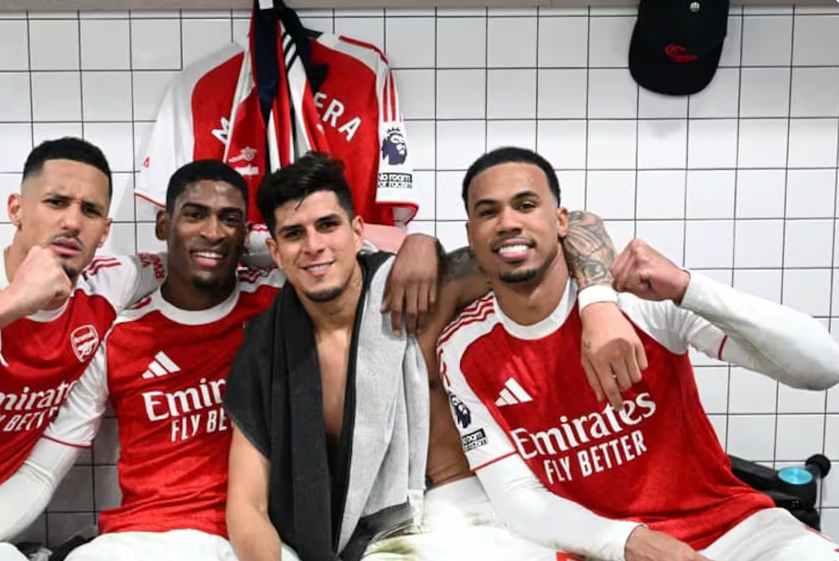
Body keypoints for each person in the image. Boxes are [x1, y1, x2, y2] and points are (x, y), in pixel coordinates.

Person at [0, 159, 441, 560]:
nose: (213, 232)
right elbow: (42, 470)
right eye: (194, 215)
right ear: (164, 224)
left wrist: (422, 242)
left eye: (229, 219)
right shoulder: (120, 332)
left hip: (247, 539)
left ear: (246, 235)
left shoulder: (274, 302)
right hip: (138, 540)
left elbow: (331, 249)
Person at [223, 152, 643, 561]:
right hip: (382, 538)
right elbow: (247, 505)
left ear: (357, 231)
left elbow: (574, 225)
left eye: (328, 225)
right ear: (275, 251)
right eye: (294, 234)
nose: (314, 246)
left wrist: (598, 303)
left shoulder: (422, 289)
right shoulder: (267, 354)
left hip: (485, 512)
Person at [436, 147, 839, 561]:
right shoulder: (462, 349)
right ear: (470, 235)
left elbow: (823, 367)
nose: (508, 222)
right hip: (603, 548)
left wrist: (687, 287)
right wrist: (627, 541)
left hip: (734, 528)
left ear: (561, 221)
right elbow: (517, 497)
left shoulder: (642, 298)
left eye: (526, 205)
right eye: (488, 212)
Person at [0, 137, 165, 499]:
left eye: (90, 211)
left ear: (104, 232)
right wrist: (13, 301)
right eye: (56, 202)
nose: (73, 222)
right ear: (16, 210)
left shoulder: (108, 283)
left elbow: (195, 258)